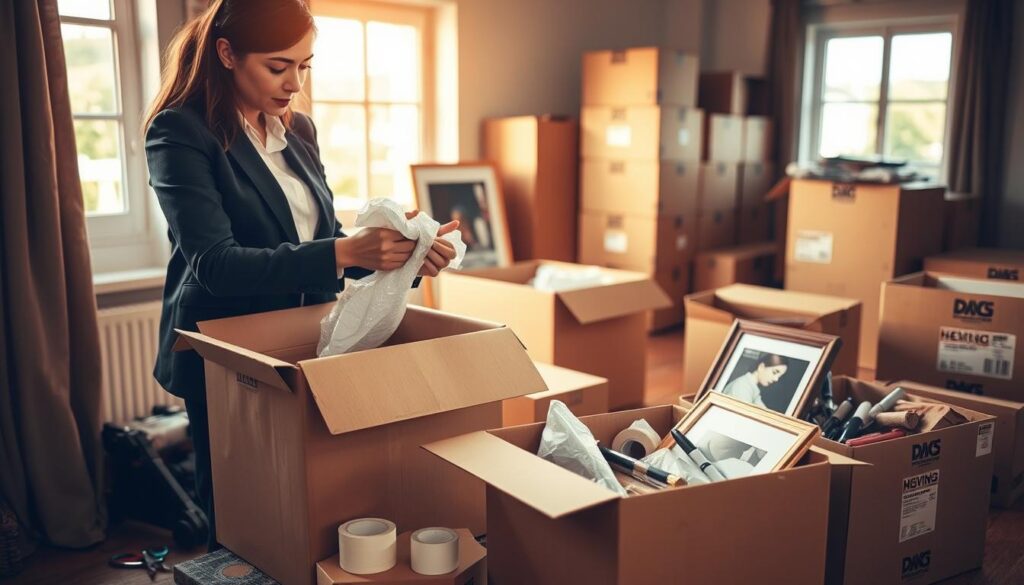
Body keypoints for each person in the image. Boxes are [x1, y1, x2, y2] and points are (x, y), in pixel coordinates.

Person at [143, 0, 457, 550]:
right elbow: (216, 264)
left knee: (306, 511)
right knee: (242, 522)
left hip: (305, 342)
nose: (295, 83)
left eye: (304, 66)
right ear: (227, 54)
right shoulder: (179, 132)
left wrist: (396, 253)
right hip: (228, 351)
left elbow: (321, 238)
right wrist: (344, 249)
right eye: (278, 66)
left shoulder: (299, 131)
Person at [720, 353, 789, 410]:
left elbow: (765, 412)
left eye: (779, 376)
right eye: (775, 372)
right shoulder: (742, 387)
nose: (776, 379)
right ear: (761, 367)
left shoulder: (752, 388)